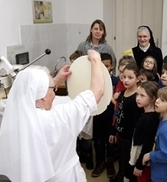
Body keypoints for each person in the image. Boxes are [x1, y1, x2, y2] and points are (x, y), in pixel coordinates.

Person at [0, 50, 105, 182]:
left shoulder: (14, 119)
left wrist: (54, 80)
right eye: (52, 89)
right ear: (43, 95)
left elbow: (39, 94)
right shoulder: (58, 119)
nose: (54, 94)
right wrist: (95, 59)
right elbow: (97, 92)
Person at [109, 63, 144, 182]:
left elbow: (136, 123)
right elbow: (118, 114)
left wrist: (134, 141)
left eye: (130, 78)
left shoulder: (136, 99)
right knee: (123, 159)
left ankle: (127, 178)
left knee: (129, 162)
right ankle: (121, 176)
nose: (126, 80)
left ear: (138, 79)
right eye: (124, 77)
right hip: (121, 135)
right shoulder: (123, 93)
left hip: (130, 139)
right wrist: (113, 132)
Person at [91, 53, 119, 178]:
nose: (104, 68)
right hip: (97, 116)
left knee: (111, 140)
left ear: (112, 66)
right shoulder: (93, 81)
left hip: (111, 117)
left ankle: (109, 162)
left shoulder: (116, 81)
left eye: (106, 66)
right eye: (101, 65)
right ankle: (100, 162)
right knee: (98, 140)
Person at [130, 81, 160, 182]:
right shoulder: (145, 113)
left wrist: (139, 165)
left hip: (143, 160)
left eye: (142, 95)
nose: (138, 98)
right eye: (137, 94)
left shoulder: (151, 119)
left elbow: (148, 144)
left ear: (152, 99)